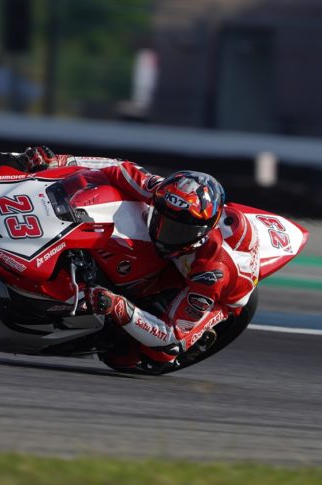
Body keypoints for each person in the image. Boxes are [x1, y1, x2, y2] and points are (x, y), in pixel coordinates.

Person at [22, 146, 260, 372]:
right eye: (162, 219)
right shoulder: (163, 192)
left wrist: (118, 306)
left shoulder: (211, 273)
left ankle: (196, 337)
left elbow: (170, 335)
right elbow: (118, 168)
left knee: (141, 355)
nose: (166, 233)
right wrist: (59, 161)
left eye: (180, 230)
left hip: (217, 293)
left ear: (203, 232)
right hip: (179, 257)